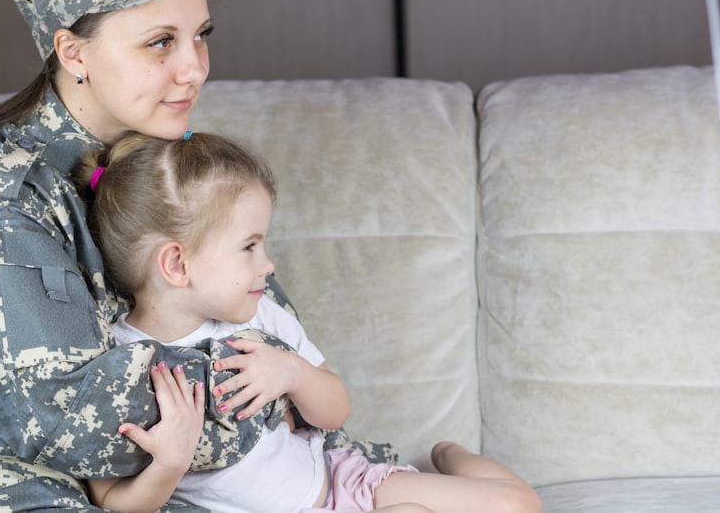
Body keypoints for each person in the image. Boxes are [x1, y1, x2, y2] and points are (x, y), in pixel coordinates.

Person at [0, 0, 392, 512]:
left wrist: (285, 377)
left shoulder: (162, 152)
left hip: (168, 479)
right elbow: (82, 420)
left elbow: (255, 309)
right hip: (2, 480)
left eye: (202, 34)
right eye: (161, 41)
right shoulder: (4, 202)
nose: (194, 67)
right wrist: (271, 385)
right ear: (73, 53)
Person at [76, 131, 543, 513]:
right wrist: (170, 463)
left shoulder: (258, 315)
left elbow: (335, 411)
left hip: (340, 483)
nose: (268, 265)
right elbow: (113, 502)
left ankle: (451, 456)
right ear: (177, 264)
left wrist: (292, 372)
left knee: (521, 505)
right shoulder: (116, 365)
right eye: (249, 247)